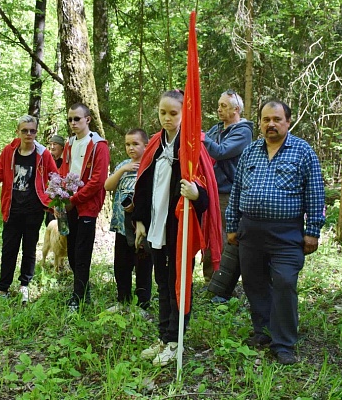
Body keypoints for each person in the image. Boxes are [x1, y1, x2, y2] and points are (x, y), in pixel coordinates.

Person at [225, 99, 325, 366]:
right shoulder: (250, 152)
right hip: (251, 231)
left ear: (288, 122)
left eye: (277, 119)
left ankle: (284, 343)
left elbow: (315, 193)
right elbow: (236, 192)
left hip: (286, 234)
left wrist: (313, 230)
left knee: (284, 282)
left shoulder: (302, 151)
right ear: (259, 122)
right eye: (266, 119)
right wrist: (232, 225)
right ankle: (264, 331)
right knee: (254, 282)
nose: (271, 124)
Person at [133, 89, 218, 367]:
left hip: (179, 229)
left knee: (178, 285)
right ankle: (163, 336)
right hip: (156, 225)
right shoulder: (155, 144)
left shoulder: (193, 148)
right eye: (162, 112)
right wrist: (141, 223)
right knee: (162, 283)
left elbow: (207, 196)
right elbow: (143, 187)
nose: (167, 118)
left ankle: (175, 341)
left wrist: (196, 194)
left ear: (184, 114)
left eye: (173, 113)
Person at [0, 115, 58, 305]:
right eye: (25, 130)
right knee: (9, 248)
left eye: (32, 130)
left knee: (29, 249)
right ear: (18, 131)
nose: (29, 134)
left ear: (36, 132)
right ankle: (2, 289)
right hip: (12, 208)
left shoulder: (43, 154)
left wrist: (54, 200)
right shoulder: (9, 151)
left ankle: (25, 285)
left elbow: (54, 177)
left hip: (34, 209)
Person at [202, 89, 253, 303]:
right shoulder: (216, 129)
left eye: (224, 106)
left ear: (236, 110)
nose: (219, 109)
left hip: (229, 192)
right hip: (210, 189)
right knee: (209, 236)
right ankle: (209, 281)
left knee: (225, 237)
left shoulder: (243, 132)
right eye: (219, 105)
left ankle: (223, 287)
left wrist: (201, 136)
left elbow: (220, 151)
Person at [59, 102, 110, 311]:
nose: (73, 123)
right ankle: (83, 290)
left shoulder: (99, 145)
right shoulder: (70, 144)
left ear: (87, 119)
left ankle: (78, 296)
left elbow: (98, 180)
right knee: (71, 249)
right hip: (69, 204)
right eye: (70, 119)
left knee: (82, 251)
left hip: (86, 205)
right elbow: (63, 171)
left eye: (77, 119)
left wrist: (75, 200)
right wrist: (60, 196)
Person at [104, 128, 152, 316]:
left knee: (143, 265)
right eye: (127, 144)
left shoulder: (150, 166)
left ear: (146, 145)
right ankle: (122, 299)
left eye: (135, 144)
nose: (131, 148)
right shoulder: (124, 165)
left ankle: (143, 303)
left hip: (142, 227)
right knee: (121, 265)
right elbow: (108, 186)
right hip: (122, 227)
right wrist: (123, 169)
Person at [45, 134, 66, 225]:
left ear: (62, 147)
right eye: (51, 144)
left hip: (63, 197)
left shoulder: (66, 161)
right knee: (49, 222)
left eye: (55, 144)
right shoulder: (47, 160)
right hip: (50, 197)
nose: (52, 147)